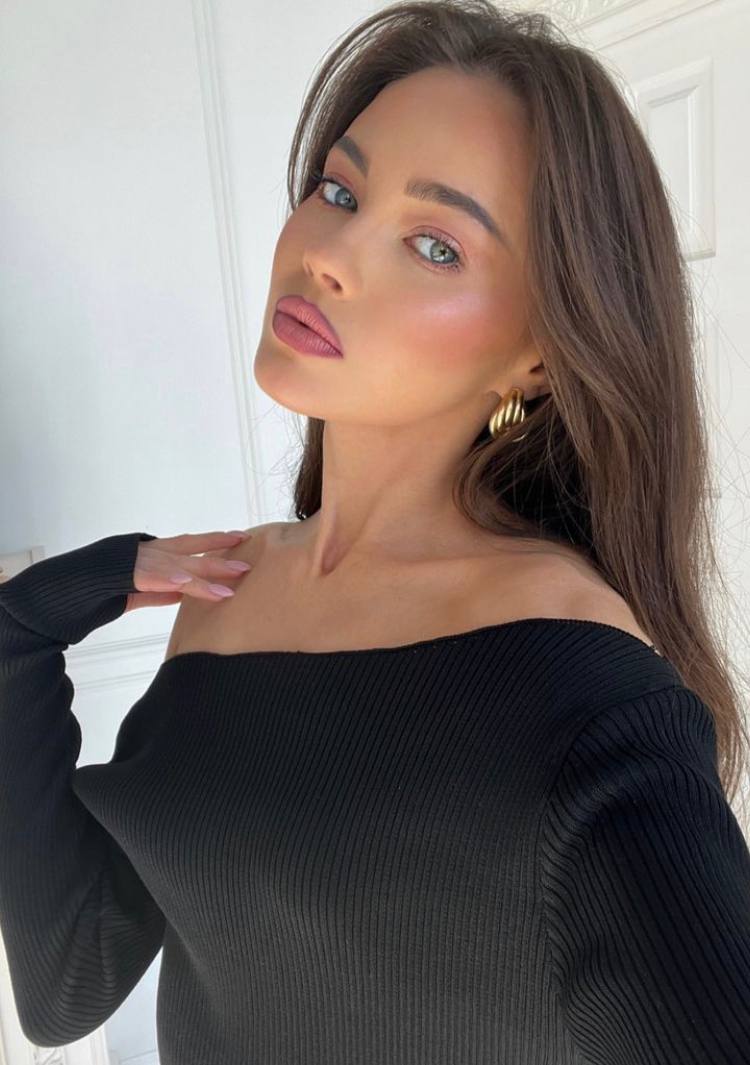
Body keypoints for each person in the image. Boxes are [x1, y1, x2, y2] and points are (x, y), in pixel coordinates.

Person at [0, 2, 748, 1063]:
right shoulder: (229, 598)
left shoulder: (585, 697)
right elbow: (68, 981)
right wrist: (22, 630)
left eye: (435, 245)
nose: (332, 254)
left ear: (538, 356)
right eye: (339, 192)